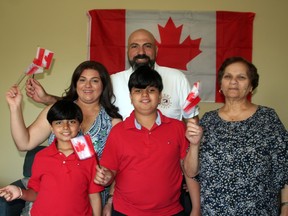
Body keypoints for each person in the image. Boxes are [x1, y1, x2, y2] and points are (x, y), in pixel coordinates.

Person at [25, 29, 201, 215]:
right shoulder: (115, 89)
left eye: (147, 46)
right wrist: (48, 99)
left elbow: (192, 127)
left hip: (170, 198)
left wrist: (195, 199)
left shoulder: (177, 83)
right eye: (134, 46)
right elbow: (84, 103)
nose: (144, 97)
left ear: (159, 95)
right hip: (121, 201)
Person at [2, 61, 122, 215]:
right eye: (82, 79)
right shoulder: (56, 111)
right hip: (53, 200)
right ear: (75, 83)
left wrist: (110, 199)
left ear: (104, 85)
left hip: (93, 201)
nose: (88, 85)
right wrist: (15, 107)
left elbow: (121, 167)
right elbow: (23, 143)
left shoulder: (114, 122)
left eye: (95, 80)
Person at [184, 56, 288, 215]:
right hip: (214, 211)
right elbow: (191, 172)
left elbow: (285, 167)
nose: (233, 82)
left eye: (241, 77)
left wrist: (285, 207)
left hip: (260, 210)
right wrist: (194, 144)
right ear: (221, 85)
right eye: (228, 77)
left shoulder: (268, 118)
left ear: (251, 85)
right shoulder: (208, 121)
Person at [94, 65, 203, 215]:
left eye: (151, 90)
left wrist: (196, 208)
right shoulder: (118, 132)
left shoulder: (178, 128)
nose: (145, 95)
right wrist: (106, 177)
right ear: (131, 97)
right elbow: (110, 172)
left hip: (171, 211)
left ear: (160, 97)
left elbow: (190, 172)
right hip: (125, 211)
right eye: (138, 91)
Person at [0, 100, 104, 215]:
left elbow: (94, 195)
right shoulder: (41, 157)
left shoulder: (88, 156)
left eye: (72, 122)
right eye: (59, 122)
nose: (65, 127)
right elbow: (35, 193)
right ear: (51, 128)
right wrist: (20, 192)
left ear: (79, 126)